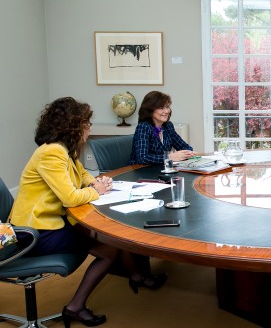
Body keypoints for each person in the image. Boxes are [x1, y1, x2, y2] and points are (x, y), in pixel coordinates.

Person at [9, 97, 167, 327]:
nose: (89, 128)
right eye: (87, 123)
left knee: (109, 239)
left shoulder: (65, 150)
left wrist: (99, 182)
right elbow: (70, 197)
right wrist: (97, 191)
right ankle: (75, 307)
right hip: (35, 231)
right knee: (108, 250)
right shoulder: (51, 153)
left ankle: (137, 276)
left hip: (52, 223)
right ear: (74, 125)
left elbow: (83, 176)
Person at [129, 91, 196, 165]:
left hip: (162, 169)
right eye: (161, 108)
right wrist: (169, 157)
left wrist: (187, 153)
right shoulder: (143, 127)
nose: (167, 111)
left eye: (167, 107)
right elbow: (142, 158)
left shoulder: (168, 126)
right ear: (150, 110)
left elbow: (184, 146)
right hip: (141, 172)